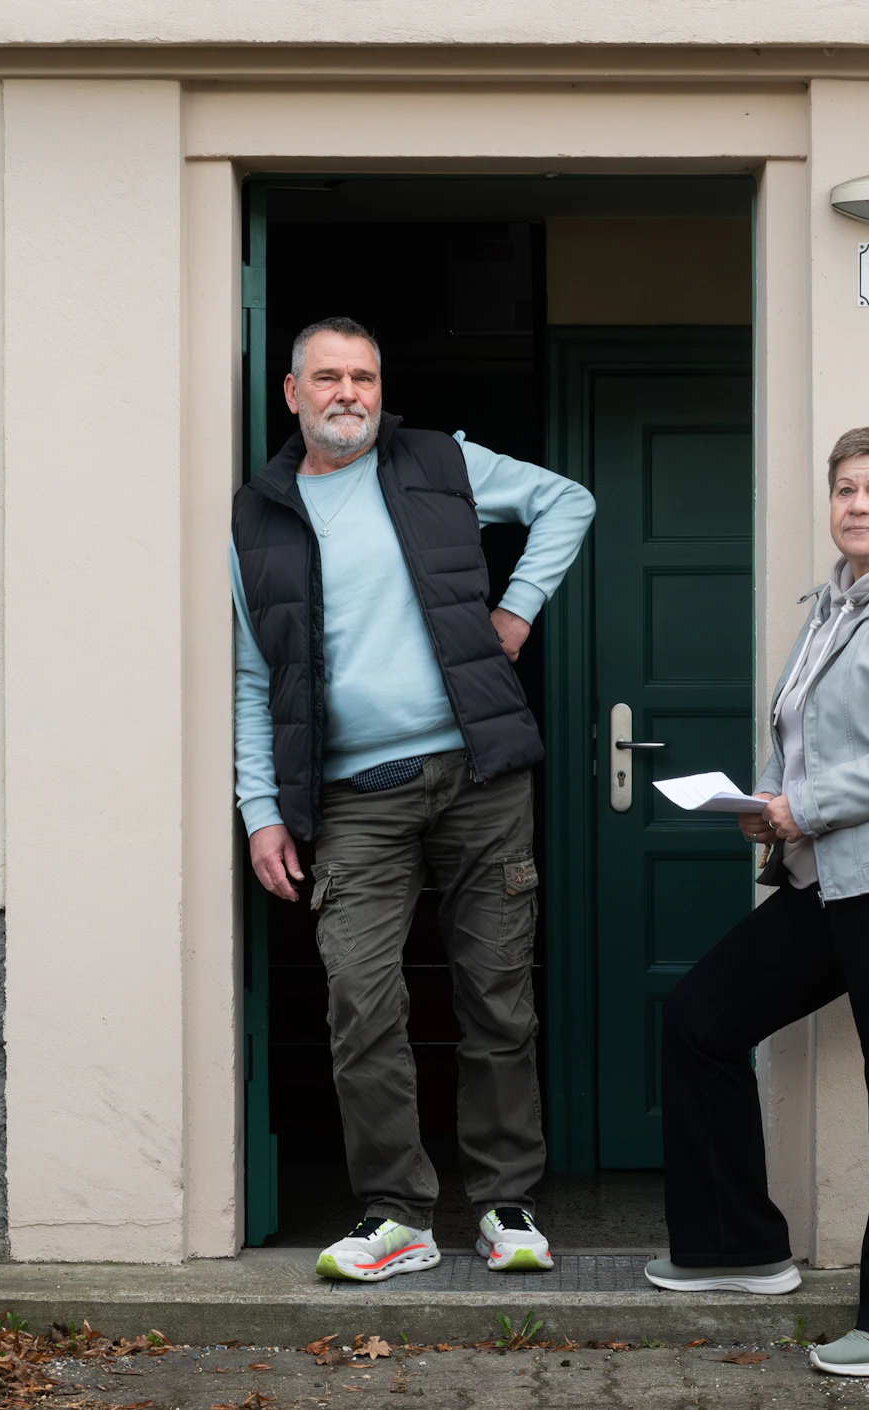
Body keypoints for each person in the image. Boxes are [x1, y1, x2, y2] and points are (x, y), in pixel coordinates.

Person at [231, 317, 594, 1282]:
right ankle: (397, 1215)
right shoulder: (258, 514)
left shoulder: (440, 461)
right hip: (350, 797)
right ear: (292, 392)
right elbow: (250, 674)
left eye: (365, 376)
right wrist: (260, 808)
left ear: (381, 388)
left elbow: (569, 501)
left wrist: (515, 611)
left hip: (480, 777)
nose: (349, 392)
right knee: (359, 1001)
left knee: (498, 999)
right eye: (329, 377)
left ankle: (505, 1204)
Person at [643, 426, 869, 1378]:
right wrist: (769, 806)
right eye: (844, 489)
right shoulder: (837, 604)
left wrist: (811, 807)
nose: (857, 504)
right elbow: (802, 732)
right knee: (702, 1019)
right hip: (834, 874)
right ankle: (736, 1249)